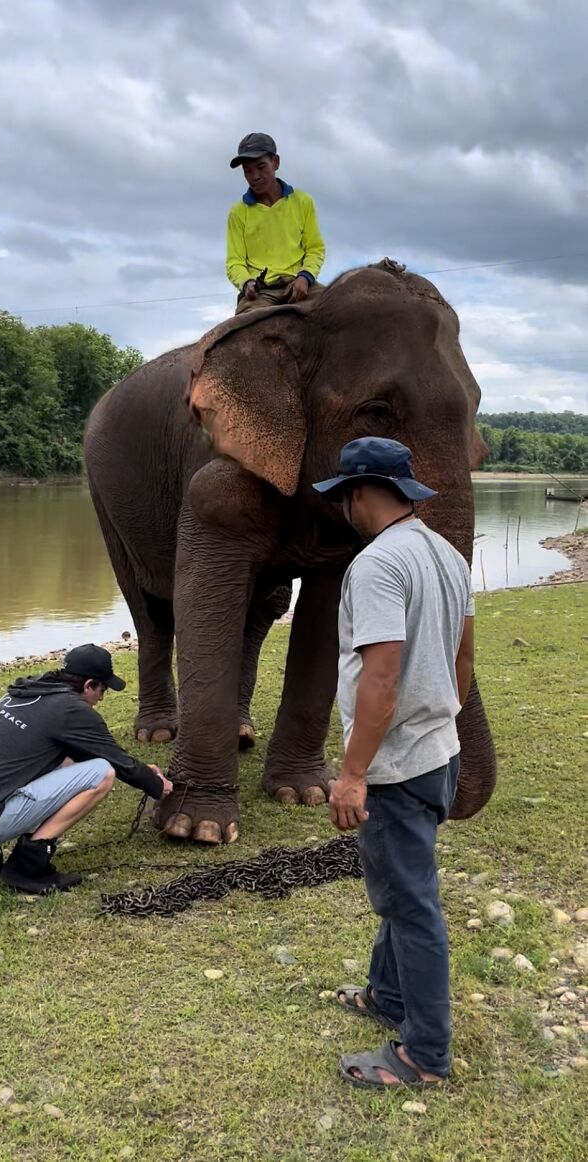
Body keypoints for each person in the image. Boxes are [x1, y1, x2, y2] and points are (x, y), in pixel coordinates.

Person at [312, 438, 475, 1090]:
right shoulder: (446, 554)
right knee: (401, 889)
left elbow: (380, 677)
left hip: (397, 767)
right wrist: (441, 717)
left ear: (357, 494)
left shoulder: (378, 564)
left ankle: (425, 1056)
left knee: (411, 906)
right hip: (440, 753)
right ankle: (389, 994)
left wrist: (353, 773)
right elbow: (465, 660)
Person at [0, 644, 172, 894]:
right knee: (103, 774)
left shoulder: (28, 691)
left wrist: (142, 770)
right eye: (102, 690)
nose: (102, 698)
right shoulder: (71, 709)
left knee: (69, 760)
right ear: (89, 685)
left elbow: (85, 754)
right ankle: (27, 866)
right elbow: (117, 762)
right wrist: (159, 786)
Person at [226, 132, 326, 313]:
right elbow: (235, 262)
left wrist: (305, 277)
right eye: (247, 170)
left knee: (339, 308)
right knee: (247, 327)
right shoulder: (238, 212)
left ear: (276, 162)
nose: (254, 176)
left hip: (299, 283)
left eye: (261, 166)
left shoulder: (303, 202)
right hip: (261, 292)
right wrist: (247, 282)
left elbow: (314, 248)